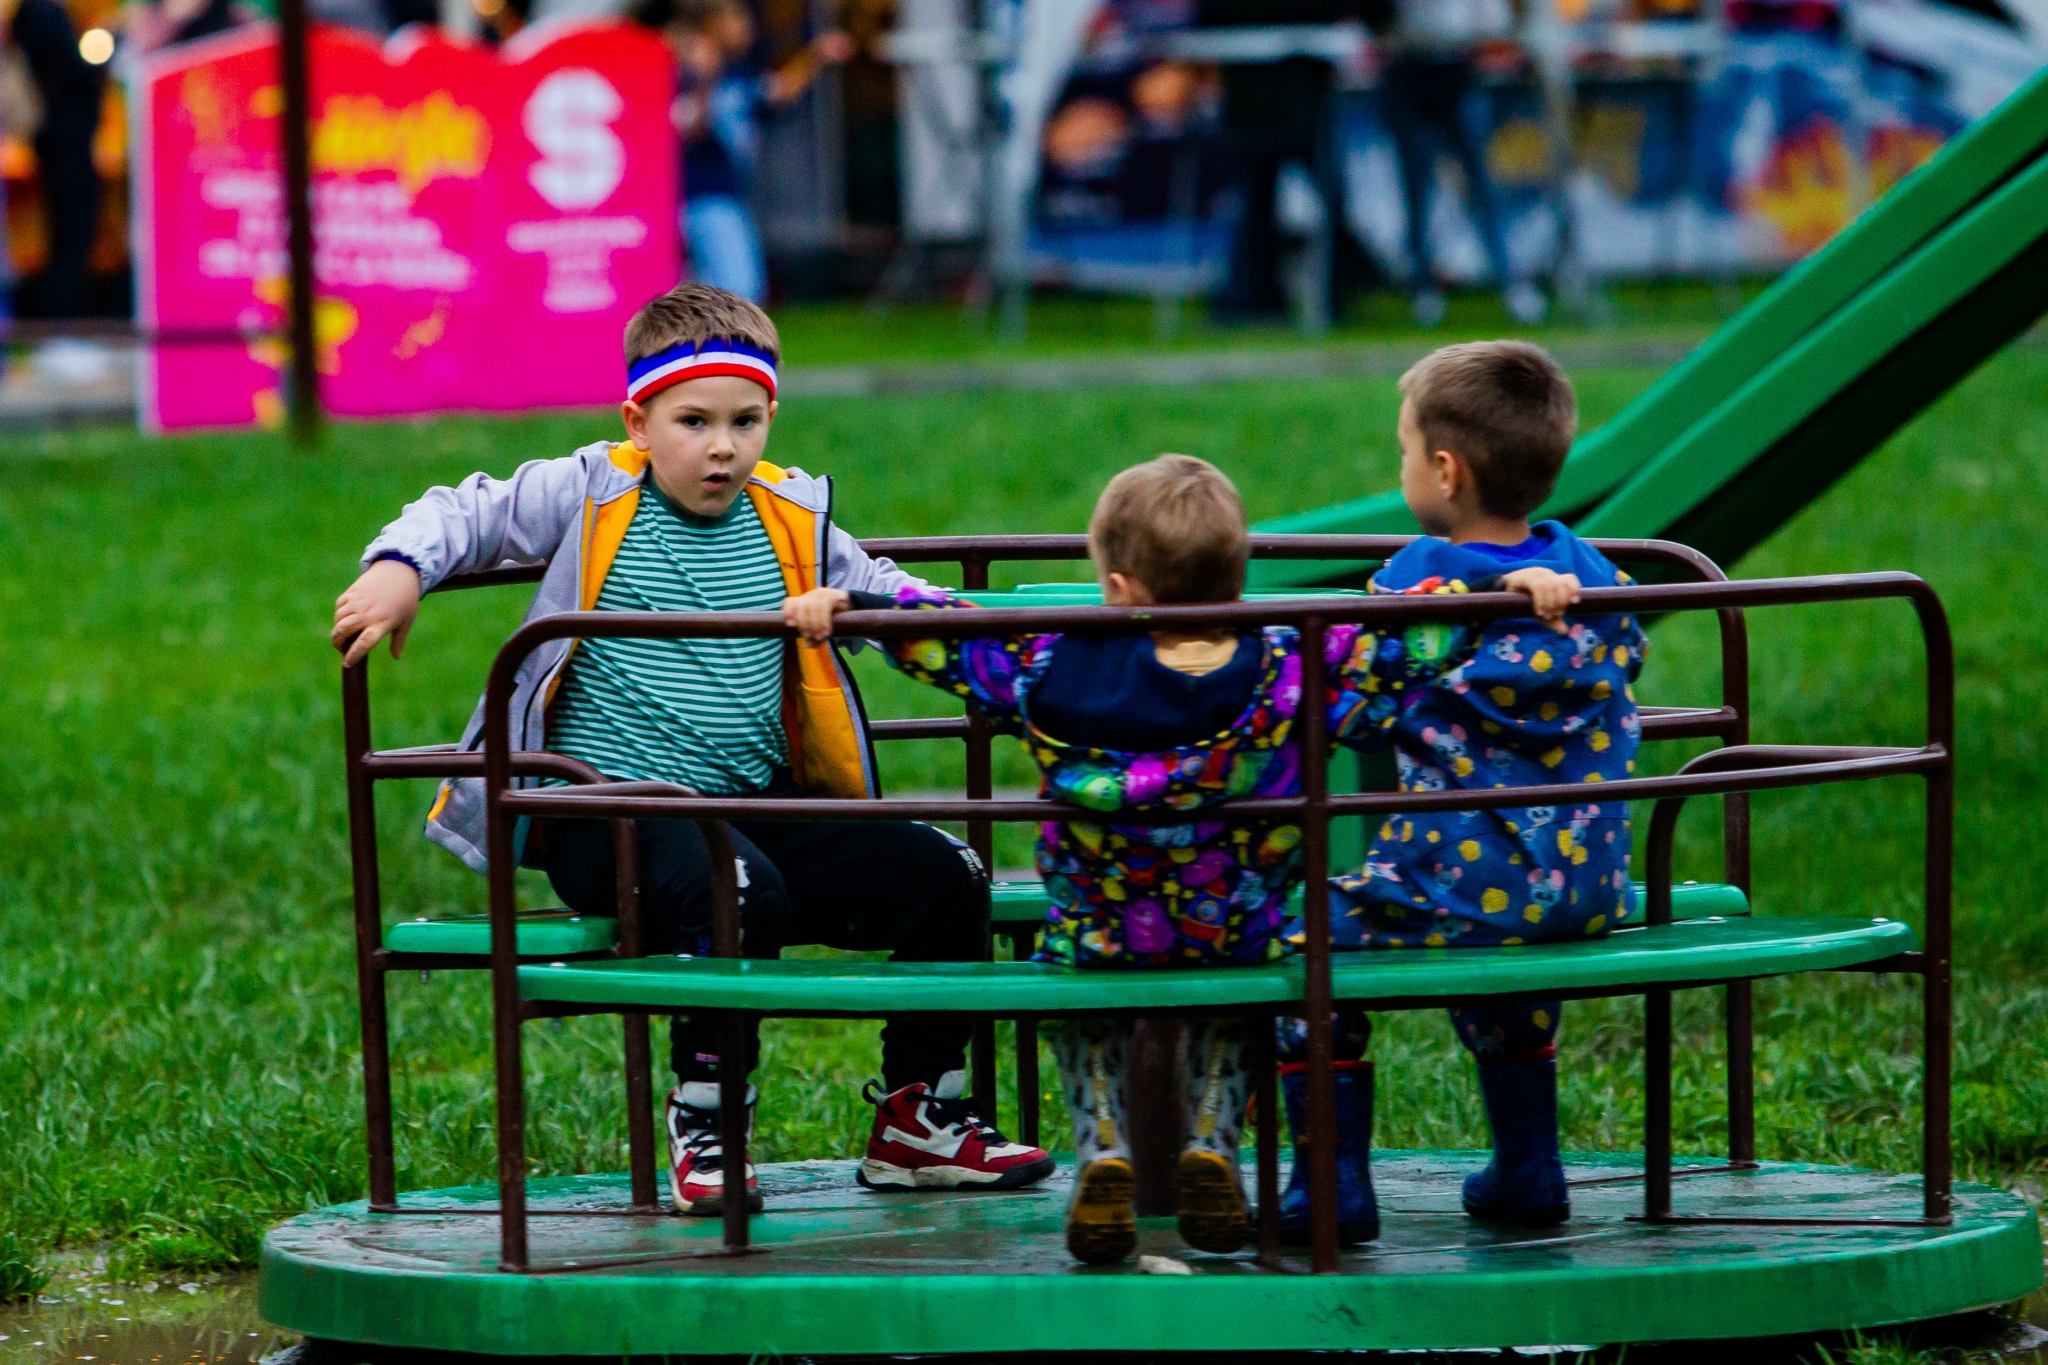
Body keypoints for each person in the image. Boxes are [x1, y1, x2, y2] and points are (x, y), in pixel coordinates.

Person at [329, 283, 1054, 1217]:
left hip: (747, 799)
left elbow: (884, 593)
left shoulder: (790, 514)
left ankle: (920, 1119)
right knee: (734, 886)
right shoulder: (595, 488)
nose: (722, 445)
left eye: (745, 420)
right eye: (693, 420)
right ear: (638, 418)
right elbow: (462, 512)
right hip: (603, 808)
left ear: (771, 417)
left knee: (946, 873)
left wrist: (1004, 645)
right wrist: (397, 571)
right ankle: (709, 1122)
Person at [783, 454, 1574, 1263]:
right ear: (1237, 579)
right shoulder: (1290, 661)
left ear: (1118, 589)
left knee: (1079, 1009)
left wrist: (856, 606)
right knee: (1237, 1008)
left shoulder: (1048, 661)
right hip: (1238, 925)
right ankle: (1213, 1143)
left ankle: (1103, 1149)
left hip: (1102, 928)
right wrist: (1490, 594)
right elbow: (1401, 643)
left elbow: (946, 633)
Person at [1278, 339, 1647, 1244]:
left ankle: (1330, 1187)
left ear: (1445, 471)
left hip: (1456, 880)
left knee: (1297, 945)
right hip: (1585, 891)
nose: (1400, 466)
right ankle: (1528, 1168)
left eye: (1403, 451)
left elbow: (1353, 704)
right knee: (1504, 927)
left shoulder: (1415, 586)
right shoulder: (1600, 580)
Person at [655, 0, 851, 302]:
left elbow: (778, 92)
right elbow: (685, 126)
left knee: (725, 291)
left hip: (727, 195)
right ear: (713, 24)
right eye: (736, 18)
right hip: (698, 194)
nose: (746, 26)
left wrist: (816, 55)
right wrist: (705, 73)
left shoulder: (737, 72)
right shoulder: (682, 70)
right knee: (739, 290)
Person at [1379, 0, 1547, 326]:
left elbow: (1489, 22)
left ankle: (1512, 283)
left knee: (1481, 186)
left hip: (1455, 68)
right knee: (1415, 190)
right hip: (1406, 67)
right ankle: (1423, 288)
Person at [8, 0, 104, 318]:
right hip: (62, 141)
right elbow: (70, 70)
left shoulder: (33, 12)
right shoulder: (42, 12)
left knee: (68, 234)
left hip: (54, 139)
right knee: (72, 235)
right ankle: (60, 321)